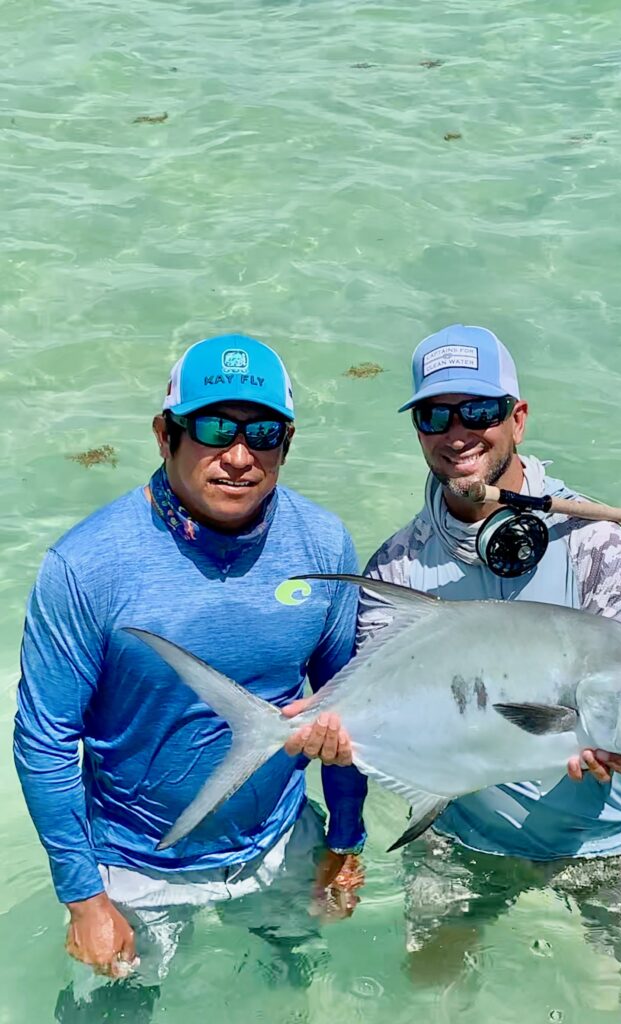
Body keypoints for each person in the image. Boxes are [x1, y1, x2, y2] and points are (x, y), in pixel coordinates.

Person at [13, 333, 367, 1020]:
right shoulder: (86, 566)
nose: (239, 455)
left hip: (279, 840)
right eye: (212, 428)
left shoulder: (323, 546)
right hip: (133, 866)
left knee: (293, 988)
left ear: (286, 441)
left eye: (262, 431)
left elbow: (350, 708)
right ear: (163, 434)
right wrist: (84, 899)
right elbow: (44, 740)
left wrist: (346, 839)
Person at [357, 324, 621, 1010]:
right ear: (418, 430)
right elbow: (383, 715)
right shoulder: (397, 568)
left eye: (480, 411)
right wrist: (334, 740)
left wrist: (620, 752)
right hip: (461, 836)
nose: (458, 432)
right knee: (429, 995)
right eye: (435, 414)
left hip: (613, 837)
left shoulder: (600, 549)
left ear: (517, 418)